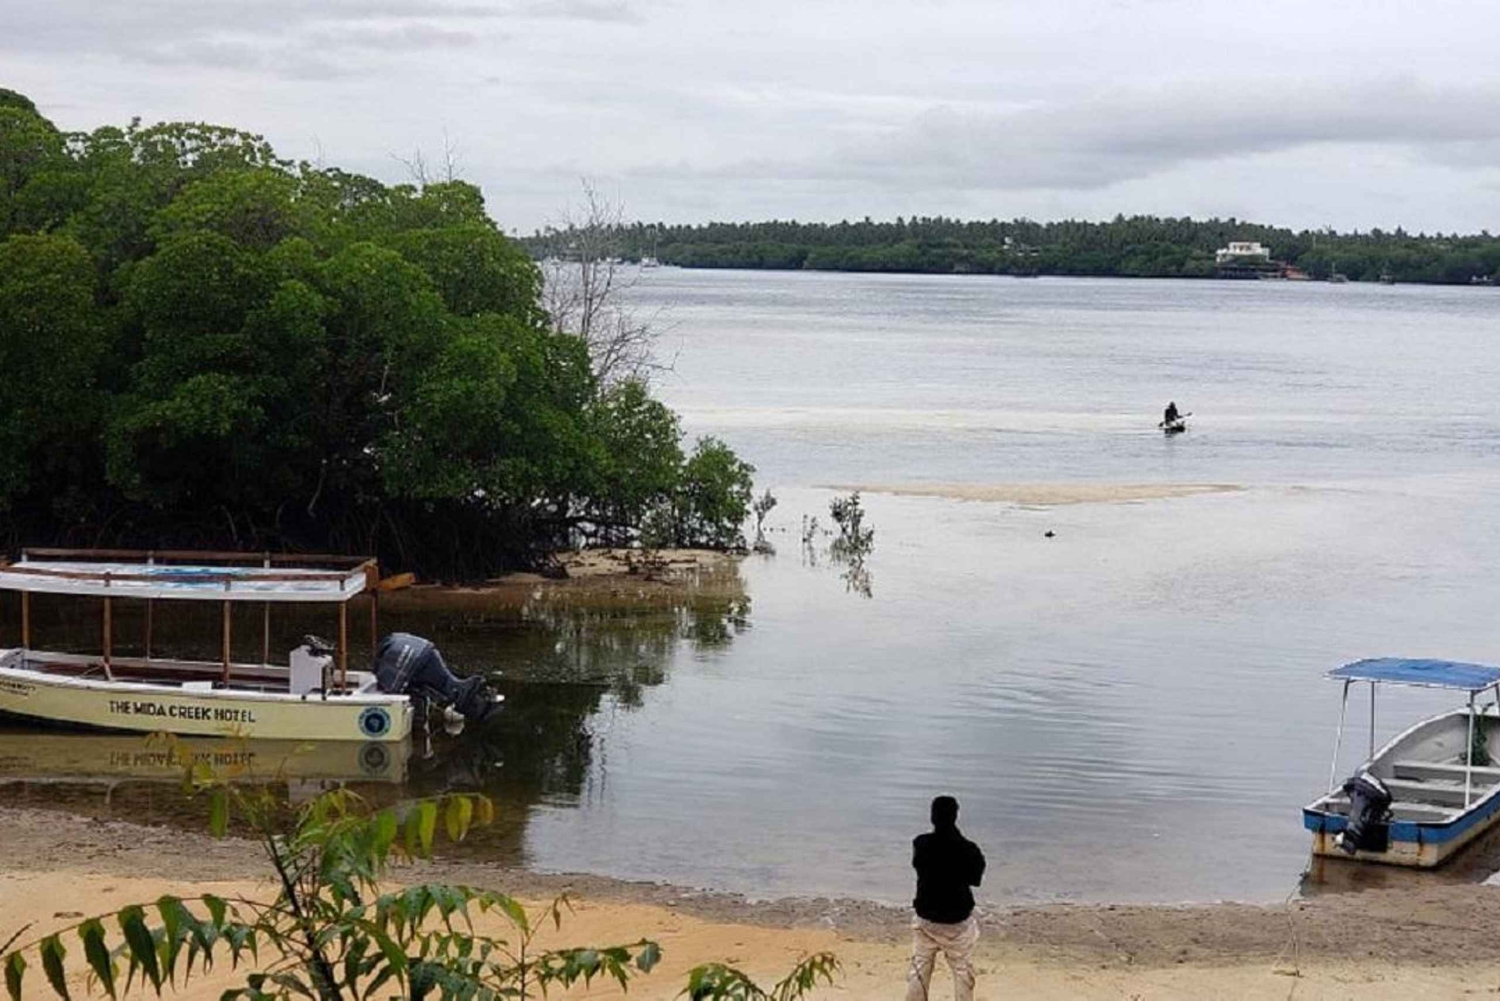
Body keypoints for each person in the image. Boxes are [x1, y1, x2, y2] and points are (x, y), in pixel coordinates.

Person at [906, 795, 986, 1001]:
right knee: (962, 970)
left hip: (926, 917)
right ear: (955, 816)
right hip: (957, 919)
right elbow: (975, 880)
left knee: (920, 967)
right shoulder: (969, 849)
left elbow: (919, 867)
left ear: (932, 817)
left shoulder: (921, 843)